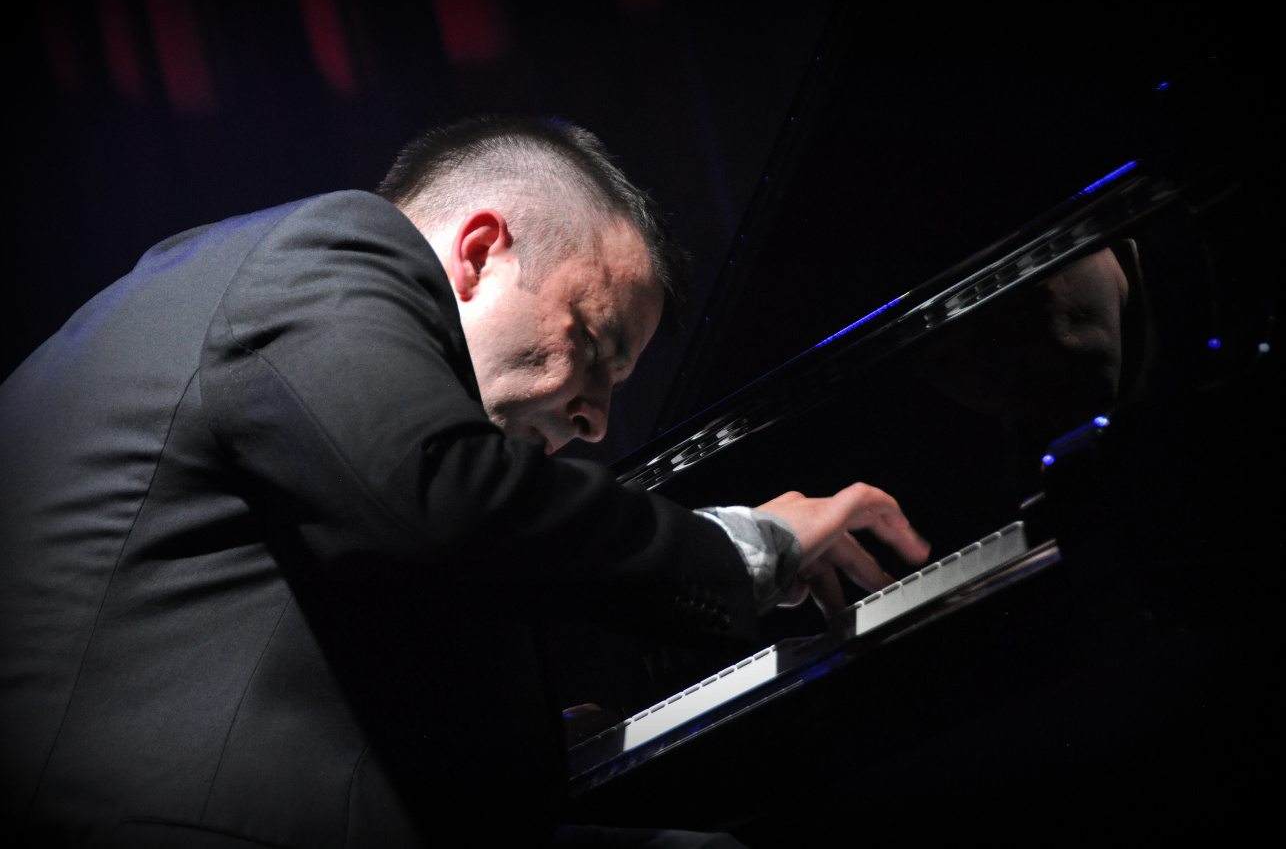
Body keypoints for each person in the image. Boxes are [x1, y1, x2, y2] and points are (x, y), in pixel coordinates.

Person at [0, 117, 928, 847]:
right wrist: (746, 546)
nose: (597, 422)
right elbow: (446, 502)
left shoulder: (232, 314)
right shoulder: (329, 249)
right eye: (592, 344)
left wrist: (507, 748)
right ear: (480, 252)